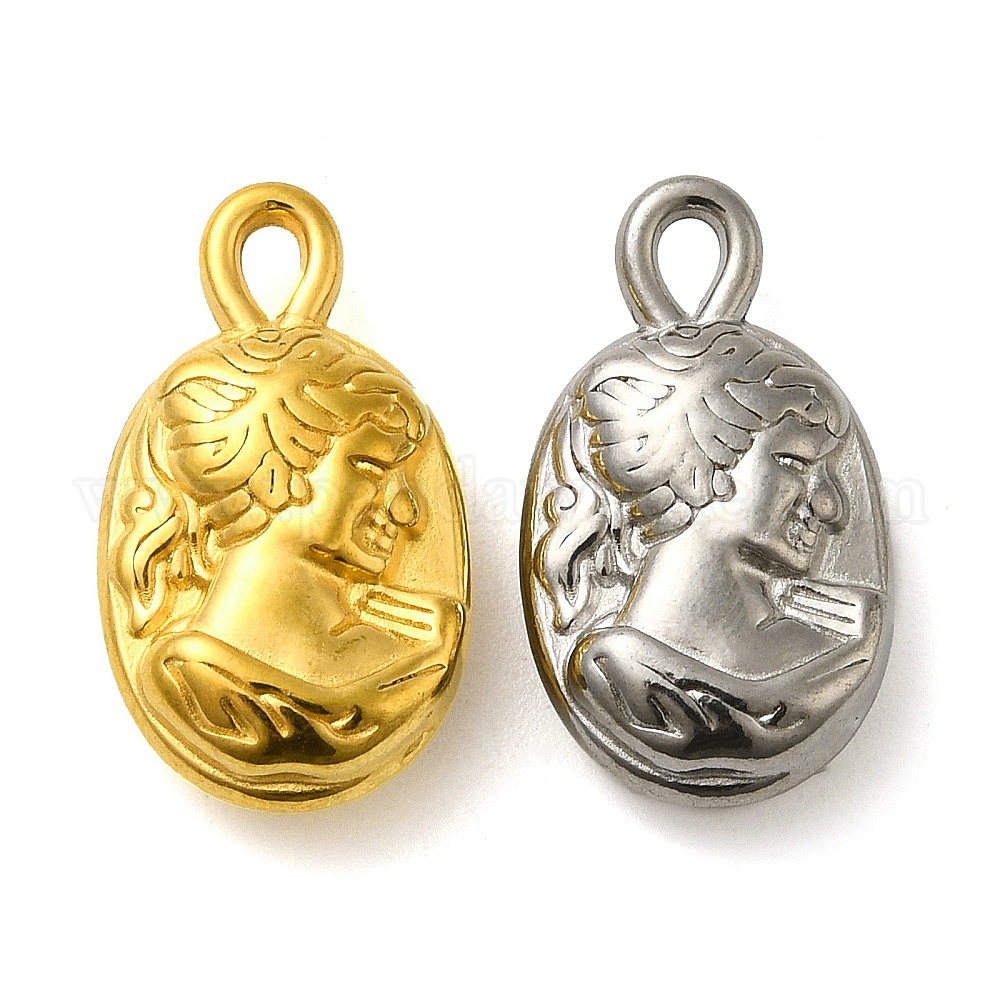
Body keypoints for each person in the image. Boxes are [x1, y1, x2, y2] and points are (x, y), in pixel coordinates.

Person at [113, 325, 462, 775]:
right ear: (272, 472)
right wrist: (424, 669)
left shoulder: (413, 641)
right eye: (372, 469)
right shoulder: (189, 684)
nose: (407, 511)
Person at [535, 321, 881, 761]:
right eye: (795, 462)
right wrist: (853, 656)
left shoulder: (830, 641)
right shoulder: (611, 673)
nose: (832, 506)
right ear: (696, 468)